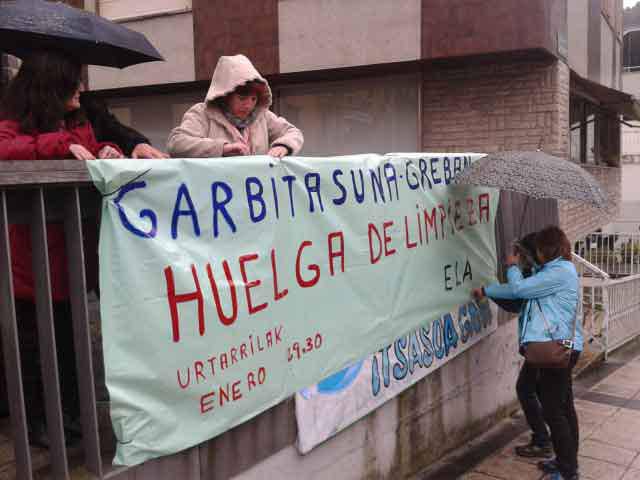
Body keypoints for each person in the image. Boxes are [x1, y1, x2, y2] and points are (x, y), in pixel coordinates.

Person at [0, 50, 124, 446]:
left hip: (71, 260)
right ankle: (39, 425)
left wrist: (110, 153)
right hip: (31, 264)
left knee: (72, 346)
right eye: (75, 81)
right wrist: (59, 145)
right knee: (34, 350)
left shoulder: (79, 119)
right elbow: (5, 149)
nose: (82, 89)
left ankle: (72, 417)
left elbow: (91, 149)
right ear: (52, 86)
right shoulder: (13, 121)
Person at [473, 226, 583, 480]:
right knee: (563, 407)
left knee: (555, 411)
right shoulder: (551, 271)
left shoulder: (559, 273)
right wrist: (488, 290)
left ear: (544, 251)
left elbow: (518, 290)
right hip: (559, 346)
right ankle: (566, 462)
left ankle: (568, 471)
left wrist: (511, 266)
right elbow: (519, 290)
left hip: (558, 348)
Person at [167, 54, 303, 158]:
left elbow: (293, 133)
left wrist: (283, 146)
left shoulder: (264, 116)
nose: (249, 105)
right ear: (225, 94)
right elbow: (177, 143)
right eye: (242, 98)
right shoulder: (202, 113)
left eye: (254, 99)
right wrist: (222, 149)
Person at [81, 95, 169, 159]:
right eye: (75, 82)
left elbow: (114, 130)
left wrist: (137, 144)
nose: (80, 87)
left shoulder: (89, 107)